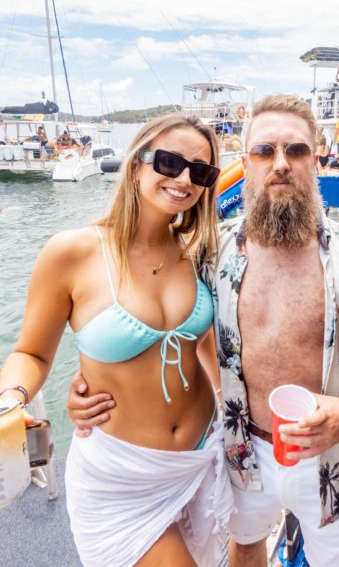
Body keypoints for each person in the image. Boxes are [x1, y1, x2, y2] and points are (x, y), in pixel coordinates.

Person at [68, 95, 339, 567]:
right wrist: (89, 381)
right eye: (265, 152)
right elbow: (159, 322)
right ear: (245, 164)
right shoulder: (210, 250)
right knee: (245, 549)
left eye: (297, 151)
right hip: (240, 450)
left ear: (318, 158)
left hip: (331, 456)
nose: (281, 165)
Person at [0, 114, 233, 566]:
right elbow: (31, 352)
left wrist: (232, 414)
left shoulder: (199, 250)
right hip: (122, 478)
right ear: (135, 165)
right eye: (170, 162)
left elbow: (201, 344)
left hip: (205, 453)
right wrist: (12, 399)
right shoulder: (72, 252)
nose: (184, 179)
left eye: (201, 172)